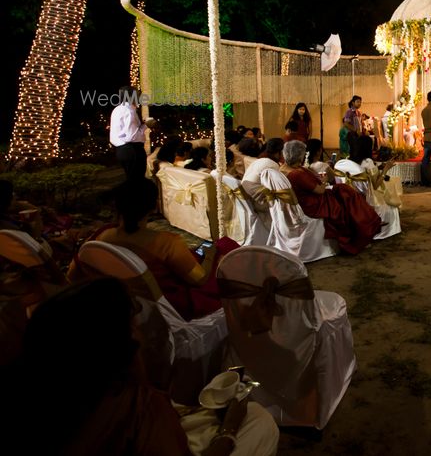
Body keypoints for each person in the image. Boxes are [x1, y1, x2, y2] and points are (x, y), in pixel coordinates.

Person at [0, 276, 279, 456]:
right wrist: (228, 431)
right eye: (133, 323)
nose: (142, 333)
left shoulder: (31, 381)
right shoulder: (135, 405)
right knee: (258, 420)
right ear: (112, 344)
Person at [69, 178, 239, 321]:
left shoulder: (100, 237)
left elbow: (73, 275)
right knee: (226, 246)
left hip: (118, 302)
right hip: (166, 306)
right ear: (154, 206)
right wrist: (210, 255)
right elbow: (199, 279)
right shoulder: (166, 243)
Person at [283, 140, 380, 255]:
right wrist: (323, 181)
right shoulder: (297, 173)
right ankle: (364, 229)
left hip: (315, 199)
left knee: (345, 192)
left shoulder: (291, 169)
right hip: (315, 203)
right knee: (348, 198)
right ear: (299, 155)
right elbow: (320, 190)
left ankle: (365, 225)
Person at [110, 85, 153, 181]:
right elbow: (132, 136)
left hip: (122, 150)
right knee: (137, 182)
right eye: (137, 94)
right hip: (132, 150)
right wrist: (147, 125)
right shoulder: (129, 111)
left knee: (131, 180)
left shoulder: (117, 109)